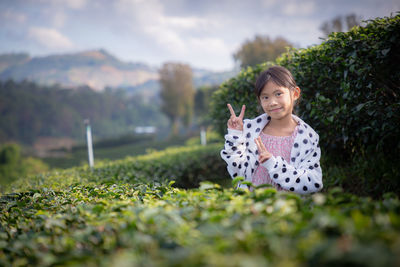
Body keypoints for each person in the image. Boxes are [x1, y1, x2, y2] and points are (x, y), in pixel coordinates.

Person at [220, 66, 323, 194]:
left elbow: (313, 182)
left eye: (278, 94)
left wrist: (273, 165)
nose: (272, 102)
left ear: (295, 93)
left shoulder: (307, 137)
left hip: (288, 210)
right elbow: (238, 172)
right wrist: (235, 135)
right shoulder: (251, 131)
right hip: (250, 209)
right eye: (265, 97)